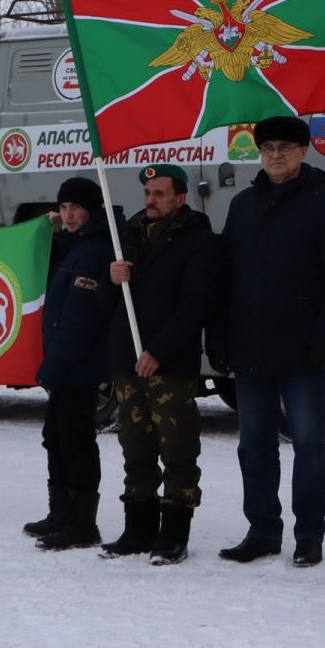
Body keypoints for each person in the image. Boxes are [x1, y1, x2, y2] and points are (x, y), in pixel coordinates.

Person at [212, 115, 325, 568]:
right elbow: (226, 278)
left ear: (303, 151)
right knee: (254, 444)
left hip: (303, 351)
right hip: (251, 349)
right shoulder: (242, 205)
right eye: (268, 147)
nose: (276, 154)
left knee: (310, 443)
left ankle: (309, 533)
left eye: (286, 146)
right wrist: (220, 336)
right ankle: (262, 530)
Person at [97, 163, 221, 566]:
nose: (150, 201)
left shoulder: (197, 240)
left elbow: (197, 305)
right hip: (128, 362)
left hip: (168, 365)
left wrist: (159, 351)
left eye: (160, 194)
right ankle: (138, 529)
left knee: (178, 448)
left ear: (180, 198)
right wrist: (110, 278)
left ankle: (173, 536)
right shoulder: (128, 235)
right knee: (135, 446)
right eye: (148, 193)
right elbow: (105, 302)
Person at [29, 177, 116, 551]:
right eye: (63, 208)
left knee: (77, 442)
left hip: (78, 367)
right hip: (64, 366)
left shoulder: (95, 251)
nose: (68, 215)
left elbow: (79, 320)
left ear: (91, 210)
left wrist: (53, 366)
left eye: (76, 208)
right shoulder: (71, 247)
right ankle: (60, 514)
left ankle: (82, 523)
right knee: (55, 437)